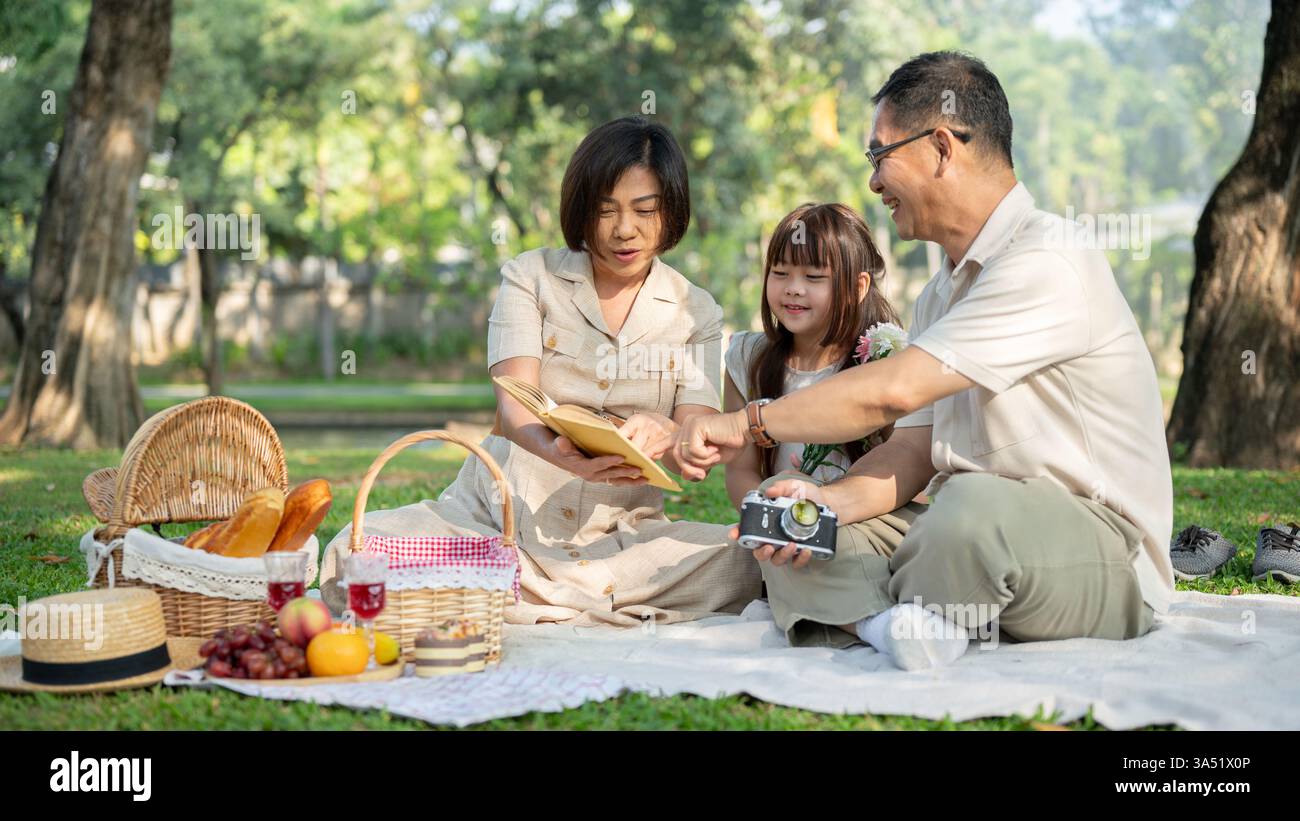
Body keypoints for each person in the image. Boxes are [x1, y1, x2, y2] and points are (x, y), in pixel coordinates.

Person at [675, 51, 1174, 671]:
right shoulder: (940, 293)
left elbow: (892, 391)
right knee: (792, 530)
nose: (873, 183)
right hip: (962, 532)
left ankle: (898, 606)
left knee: (967, 514)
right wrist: (821, 505)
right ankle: (899, 624)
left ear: (940, 147)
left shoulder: (1048, 259)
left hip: (1099, 551)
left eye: (879, 156)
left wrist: (746, 423)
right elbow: (910, 452)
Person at [321, 116, 761, 626]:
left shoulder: (696, 310)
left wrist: (669, 433)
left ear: (673, 211)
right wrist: (557, 450)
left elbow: (695, 432)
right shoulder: (529, 277)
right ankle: (562, 593)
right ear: (581, 209)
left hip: (625, 540)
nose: (625, 229)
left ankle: (511, 592)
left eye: (645, 210)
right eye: (605, 211)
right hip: (497, 522)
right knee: (353, 554)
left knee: (752, 558)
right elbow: (515, 407)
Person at [721, 203, 924, 647]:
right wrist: (763, 510)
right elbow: (740, 470)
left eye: (814, 277)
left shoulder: (885, 360)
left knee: (815, 539)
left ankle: (816, 605)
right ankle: (878, 624)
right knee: (781, 517)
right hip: (792, 524)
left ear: (858, 286)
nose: (793, 289)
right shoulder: (747, 359)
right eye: (780, 273)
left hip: (868, 521)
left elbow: (909, 469)